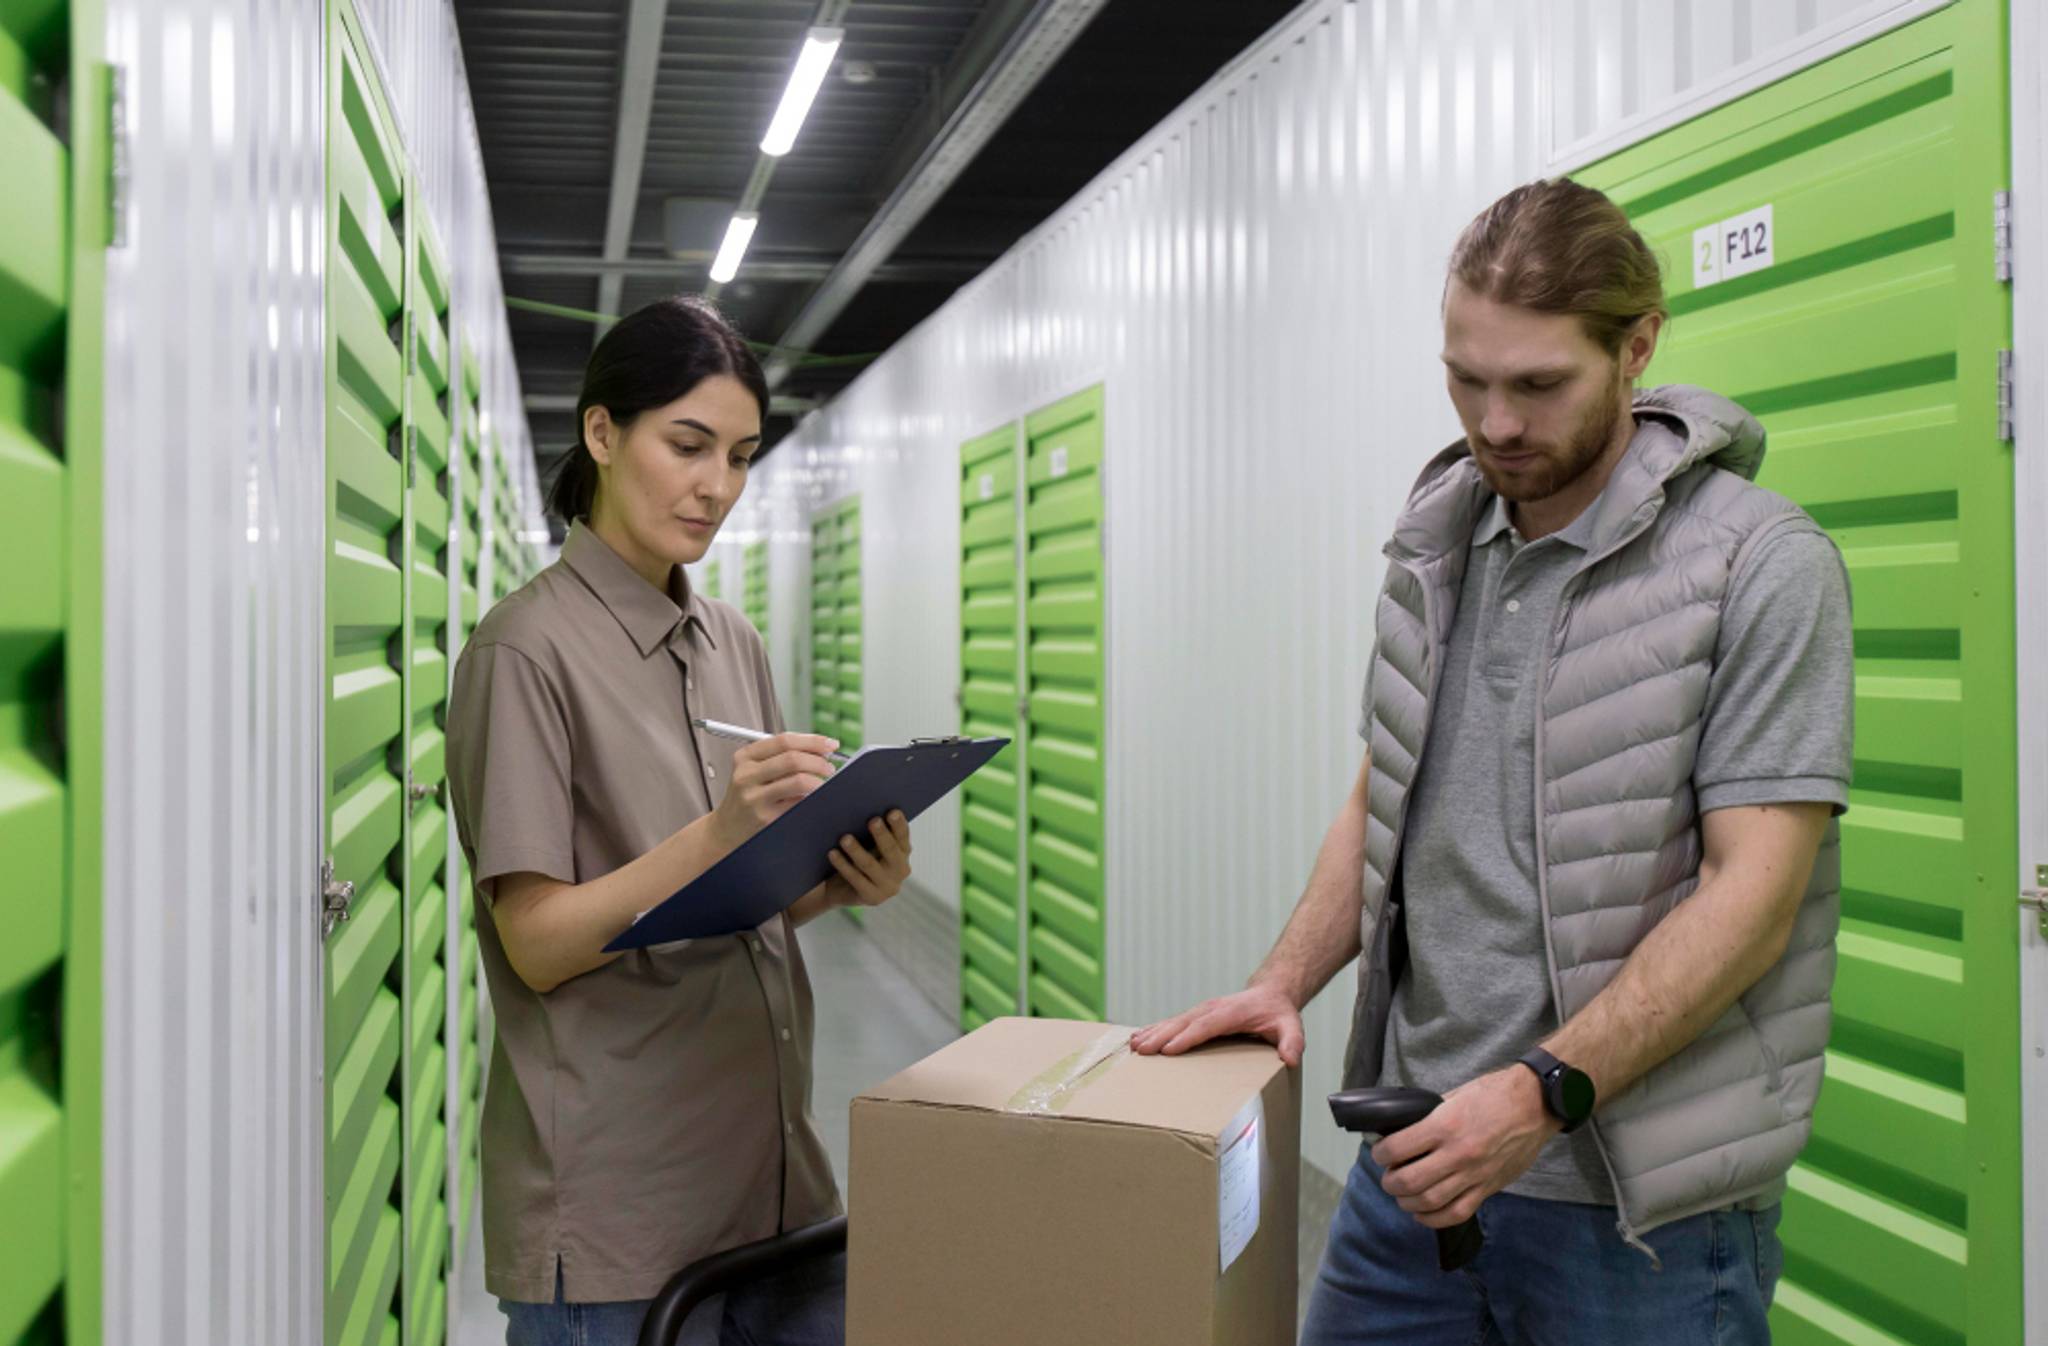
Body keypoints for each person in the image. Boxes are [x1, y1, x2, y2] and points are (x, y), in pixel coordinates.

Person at [1132, 179, 1851, 1345]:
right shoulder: (1438, 538)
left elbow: (1752, 897)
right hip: (1409, 1172)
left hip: (1634, 1218)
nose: (1495, 421)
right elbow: (1388, 785)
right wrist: (1280, 979)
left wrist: (1537, 1095)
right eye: (1465, 380)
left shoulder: (1758, 564)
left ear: (1637, 348)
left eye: (1536, 384)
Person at [446, 296, 913, 1346]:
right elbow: (535, 945)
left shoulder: (730, 638)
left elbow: (742, 897)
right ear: (602, 433)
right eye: (687, 444)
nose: (717, 486)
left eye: (741, 455)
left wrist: (839, 879)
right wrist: (716, 830)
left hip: (772, 1192)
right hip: (622, 1223)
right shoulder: (522, 654)